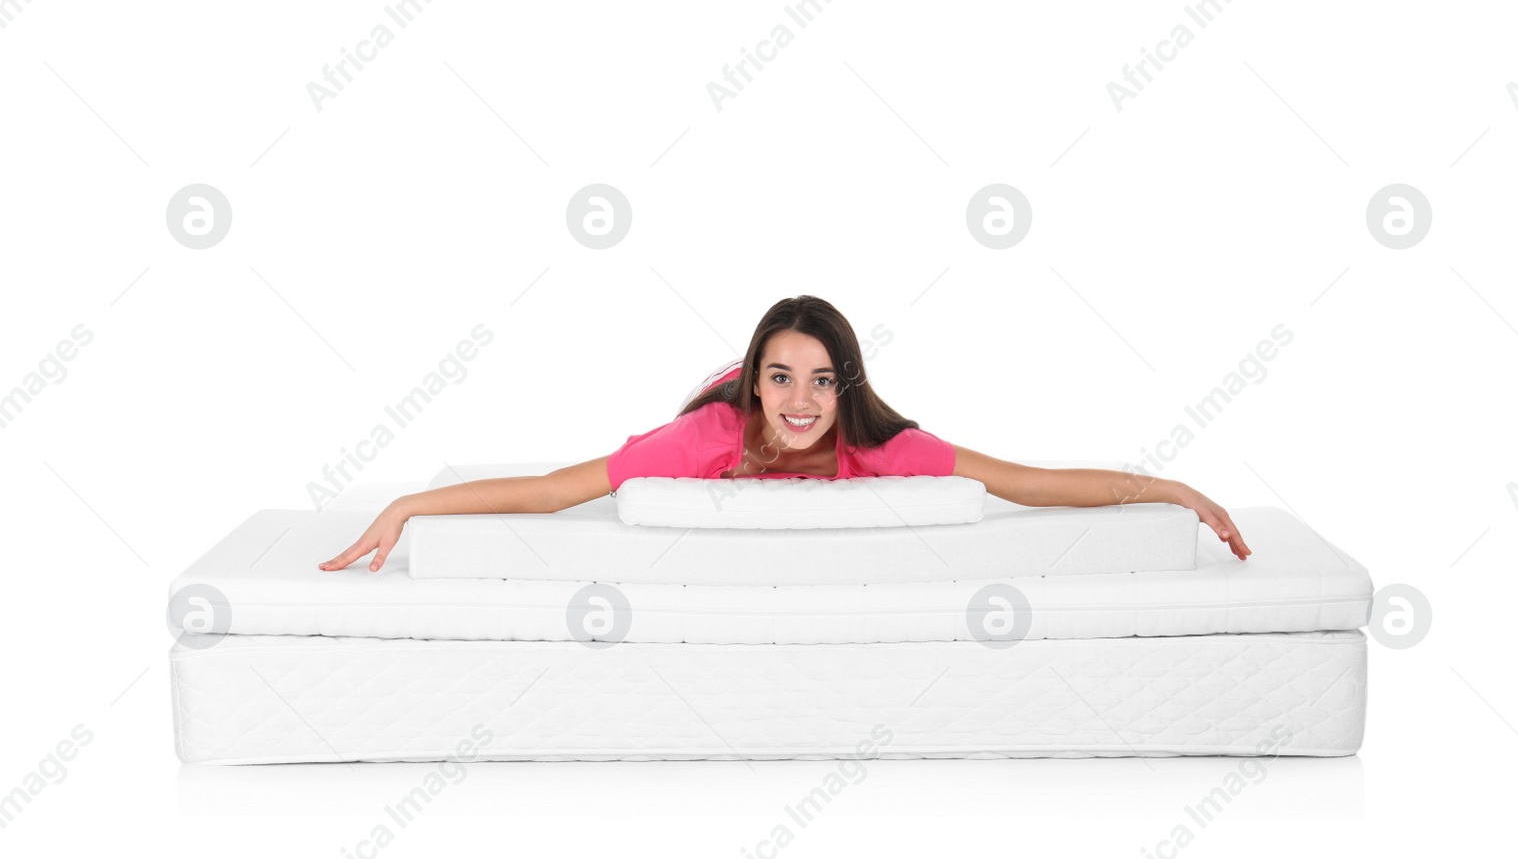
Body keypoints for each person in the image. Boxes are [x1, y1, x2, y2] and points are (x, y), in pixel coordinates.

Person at [322, 295, 1250, 572]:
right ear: (759, 380)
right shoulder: (706, 440)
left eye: (819, 380)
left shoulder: (880, 442)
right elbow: (555, 488)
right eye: (781, 377)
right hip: (711, 410)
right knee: (705, 422)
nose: (801, 401)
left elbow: (1028, 480)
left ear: (844, 383)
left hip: (796, 415)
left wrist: (1170, 488)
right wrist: (408, 502)